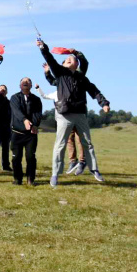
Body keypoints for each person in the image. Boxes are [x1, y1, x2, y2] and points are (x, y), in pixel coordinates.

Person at [37, 40, 110, 186]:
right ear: (63, 65)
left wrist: (104, 103)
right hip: (64, 114)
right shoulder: (60, 74)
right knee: (60, 144)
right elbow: (49, 58)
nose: (70, 59)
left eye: (73, 59)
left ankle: (94, 169)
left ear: (77, 65)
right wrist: (43, 47)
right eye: (67, 59)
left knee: (87, 143)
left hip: (81, 114)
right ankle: (55, 174)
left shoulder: (82, 77)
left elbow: (93, 90)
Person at [10, 77, 43, 185]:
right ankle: (17, 179)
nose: (25, 82)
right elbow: (16, 111)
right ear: (20, 86)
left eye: (28, 81)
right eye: (23, 81)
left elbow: (38, 114)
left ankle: (30, 179)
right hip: (17, 133)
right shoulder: (14, 98)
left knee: (30, 157)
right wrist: (24, 120)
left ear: (31, 86)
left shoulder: (36, 100)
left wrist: (34, 125)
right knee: (16, 158)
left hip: (31, 134)